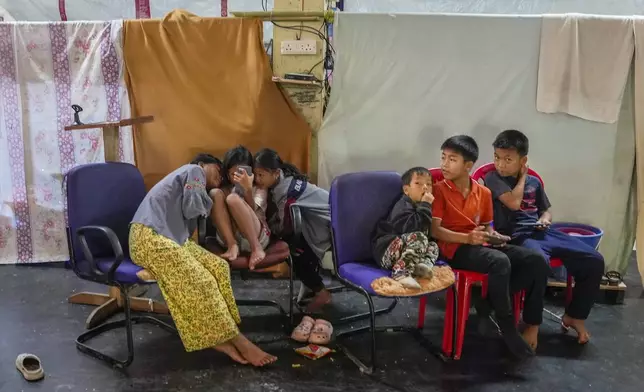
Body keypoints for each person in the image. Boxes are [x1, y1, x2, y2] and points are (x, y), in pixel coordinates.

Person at [129, 153, 277, 366]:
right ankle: (239, 341)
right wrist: (212, 198)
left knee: (218, 267)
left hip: (172, 239)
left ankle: (218, 334)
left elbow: (190, 213)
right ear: (201, 165)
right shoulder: (193, 171)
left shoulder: (191, 182)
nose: (218, 177)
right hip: (149, 236)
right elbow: (193, 209)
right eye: (216, 170)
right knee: (203, 280)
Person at [431, 135, 550, 358]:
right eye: (443, 158)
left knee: (536, 261)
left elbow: (486, 227)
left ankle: (487, 305)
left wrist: (495, 237)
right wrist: (467, 239)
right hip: (453, 248)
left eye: (452, 159)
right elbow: (434, 231)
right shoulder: (439, 190)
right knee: (499, 261)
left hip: (479, 245)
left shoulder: (483, 193)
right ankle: (507, 328)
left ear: (468, 165)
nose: (444, 164)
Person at [484, 129, 605, 344]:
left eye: (508, 159)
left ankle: (575, 316)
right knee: (538, 263)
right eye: (497, 157)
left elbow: (545, 209)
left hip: (541, 232)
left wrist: (545, 219)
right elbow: (513, 202)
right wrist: (522, 177)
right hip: (516, 236)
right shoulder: (492, 178)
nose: (500, 164)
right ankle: (532, 324)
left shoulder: (535, 183)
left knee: (594, 260)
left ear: (523, 160)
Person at [253, 148, 332, 313]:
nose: (257, 179)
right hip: (324, 220)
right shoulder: (285, 180)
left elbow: (285, 225)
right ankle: (312, 287)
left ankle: (321, 293)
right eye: (256, 174)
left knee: (296, 252)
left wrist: (270, 229)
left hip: (332, 224)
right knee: (298, 245)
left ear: (275, 174)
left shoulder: (285, 191)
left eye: (261, 175)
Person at [372, 167, 439, 289]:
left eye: (429, 184)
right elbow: (412, 229)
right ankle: (400, 272)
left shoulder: (424, 208)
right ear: (406, 190)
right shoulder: (403, 205)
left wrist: (425, 207)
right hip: (386, 252)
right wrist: (425, 205)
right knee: (418, 237)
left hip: (407, 253)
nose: (425, 187)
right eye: (418, 183)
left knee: (433, 245)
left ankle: (422, 266)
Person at [210, 146, 270, 268]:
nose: (237, 177)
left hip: (256, 237)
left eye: (241, 173)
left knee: (233, 199)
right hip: (230, 237)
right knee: (214, 193)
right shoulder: (225, 189)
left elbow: (253, 211)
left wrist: (247, 190)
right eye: (233, 174)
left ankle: (256, 249)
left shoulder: (259, 188)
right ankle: (232, 245)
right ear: (227, 173)